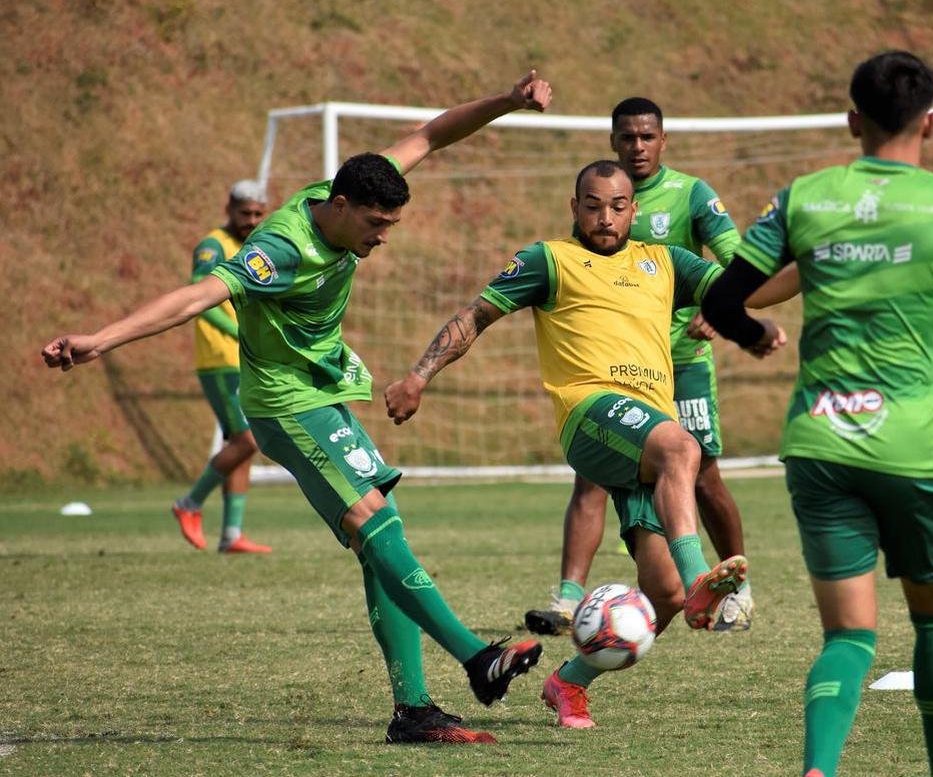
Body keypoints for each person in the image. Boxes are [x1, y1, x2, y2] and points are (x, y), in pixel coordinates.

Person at [42, 72, 555, 745]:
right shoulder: (279, 249)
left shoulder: (349, 193)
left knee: (383, 539)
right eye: (375, 225)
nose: (383, 238)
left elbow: (430, 135)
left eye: (391, 225)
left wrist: (508, 102)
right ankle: (478, 659)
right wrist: (100, 340)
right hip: (284, 406)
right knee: (378, 526)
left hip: (325, 393)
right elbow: (196, 297)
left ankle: (415, 711)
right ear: (340, 207)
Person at [700, 51, 933, 777]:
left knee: (847, 637)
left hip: (821, 442)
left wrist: (752, 338)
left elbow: (723, 299)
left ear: (851, 121)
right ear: (930, 123)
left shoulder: (803, 198)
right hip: (915, 450)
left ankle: (818, 771)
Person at [384, 159, 784, 729]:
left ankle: (568, 682)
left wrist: (778, 301)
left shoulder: (663, 261)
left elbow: (741, 290)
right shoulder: (549, 260)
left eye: (617, 205)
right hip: (590, 413)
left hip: (644, 431)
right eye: (592, 205)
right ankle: (704, 577)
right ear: (575, 208)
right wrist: (419, 376)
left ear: (634, 210)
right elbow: (475, 316)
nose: (605, 216)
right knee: (681, 449)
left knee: (663, 596)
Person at [524, 96, 755, 637]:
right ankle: (569, 596)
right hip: (605, 373)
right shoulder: (595, 206)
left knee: (703, 473)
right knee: (600, 477)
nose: (637, 146)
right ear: (613, 143)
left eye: (647, 137)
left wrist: (717, 314)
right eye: (627, 137)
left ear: (663, 140)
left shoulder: (690, 194)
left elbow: (737, 263)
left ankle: (735, 588)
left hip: (682, 361)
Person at [172, 179, 272, 554]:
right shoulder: (213, 246)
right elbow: (200, 297)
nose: (251, 220)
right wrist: (236, 331)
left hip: (243, 359)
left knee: (242, 444)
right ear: (228, 208)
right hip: (220, 360)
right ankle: (189, 504)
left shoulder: (253, 247)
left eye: (258, 214)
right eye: (244, 212)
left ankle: (231, 534)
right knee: (249, 439)